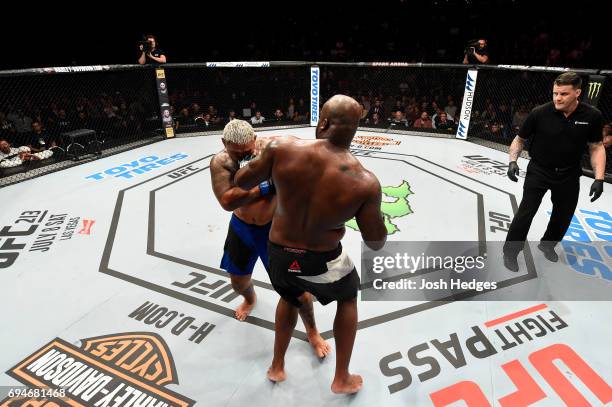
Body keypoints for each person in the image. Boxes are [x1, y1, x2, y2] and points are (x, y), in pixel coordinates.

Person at [234, 95, 387, 394]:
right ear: (354, 130)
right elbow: (377, 242)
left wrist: (265, 167)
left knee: (289, 297)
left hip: (278, 252)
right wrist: (373, 210)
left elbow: (241, 180)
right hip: (322, 260)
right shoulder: (365, 182)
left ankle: (277, 366)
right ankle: (341, 377)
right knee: (348, 296)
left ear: (324, 123)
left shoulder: (282, 148)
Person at [210, 119, 330, 357]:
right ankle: (250, 298)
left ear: (255, 138)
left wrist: (327, 135)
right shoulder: (221, 162)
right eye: (237, 152)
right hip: (242, 228)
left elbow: (309, 146)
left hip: (275, 230)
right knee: (238, 282)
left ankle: (313, 332)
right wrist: (265, 187)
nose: (243, 155)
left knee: (296, 291)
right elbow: (227, 201)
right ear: (224, 143)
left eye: (247, 150)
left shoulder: (272, 148)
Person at [503, 72, 605, 271]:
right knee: (526, 212)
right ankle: (510, 252)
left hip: (569, 173)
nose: (557, 98)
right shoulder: (540, 112)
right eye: (555, 93)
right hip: (539, 170)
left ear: (578, 93)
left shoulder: (592, 116)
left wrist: (599, 178)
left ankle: (547, 245)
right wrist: (512, 161)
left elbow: (596, 146)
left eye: (563, 94)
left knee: (563, 215)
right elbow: (519, 139)